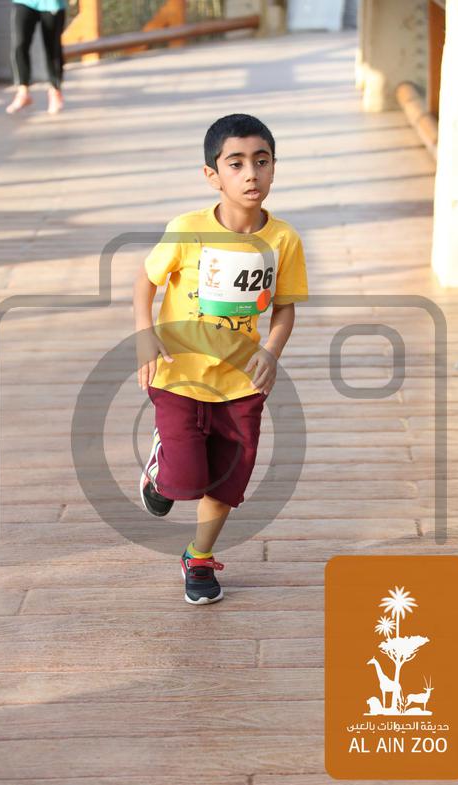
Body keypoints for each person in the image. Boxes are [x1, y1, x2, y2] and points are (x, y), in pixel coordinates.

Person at [134, 113, 308, 605]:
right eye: (236, 164)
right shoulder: (187, 229)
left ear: (273, 168)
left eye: (262, 161)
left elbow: (284, 307)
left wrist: (271, 352)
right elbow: (145, 282)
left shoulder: (283, 239)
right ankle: (162, 470)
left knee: (228, 480)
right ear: (212, 175)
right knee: (186, 480)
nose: (251, 174)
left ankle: (199, 557)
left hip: (241, 381)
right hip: (179, 374)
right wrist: (145, 335)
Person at [6, 0, 67, 115]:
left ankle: (55, 91)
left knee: (53, 47)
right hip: (24, 2)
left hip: (52, 4)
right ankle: (23, 92)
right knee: (20, 44)